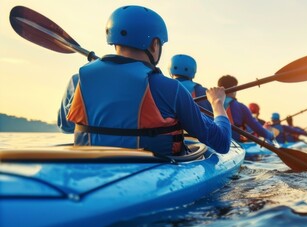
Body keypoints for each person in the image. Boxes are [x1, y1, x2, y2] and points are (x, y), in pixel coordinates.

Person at [57, 5, 231, 155]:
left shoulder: (78, 80)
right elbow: (222, 143)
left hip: (90, 172)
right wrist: (217, 104)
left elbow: (65, 127)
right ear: (154, 44)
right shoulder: (171, 88)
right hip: (153, 176)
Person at [217, 75, 274, 142]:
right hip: (233, 144)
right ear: (234, 88)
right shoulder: (241, 107)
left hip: (213, 143)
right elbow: (258, 129)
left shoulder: (208, 103)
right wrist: (271, 135)